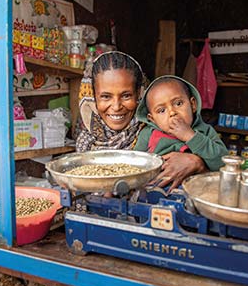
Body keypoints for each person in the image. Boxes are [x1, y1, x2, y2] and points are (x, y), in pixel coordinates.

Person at [76, 51, 208, 189]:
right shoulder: (85, 144)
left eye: (126, 95)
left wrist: (197, 164)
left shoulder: (163, 128)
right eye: (105, 97)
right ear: (92, 98)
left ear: (139, 94)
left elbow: (213, 182)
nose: (116, 107)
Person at [134, 75, 228, 172]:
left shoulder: (205, 131)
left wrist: (190, 136)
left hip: (195, 184)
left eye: (178, 103)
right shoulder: (148, 133)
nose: (172, 112)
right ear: (152, 119)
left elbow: (222, 164)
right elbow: (134, 164)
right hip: (156, 184)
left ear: (193, 105)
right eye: (162, 110)